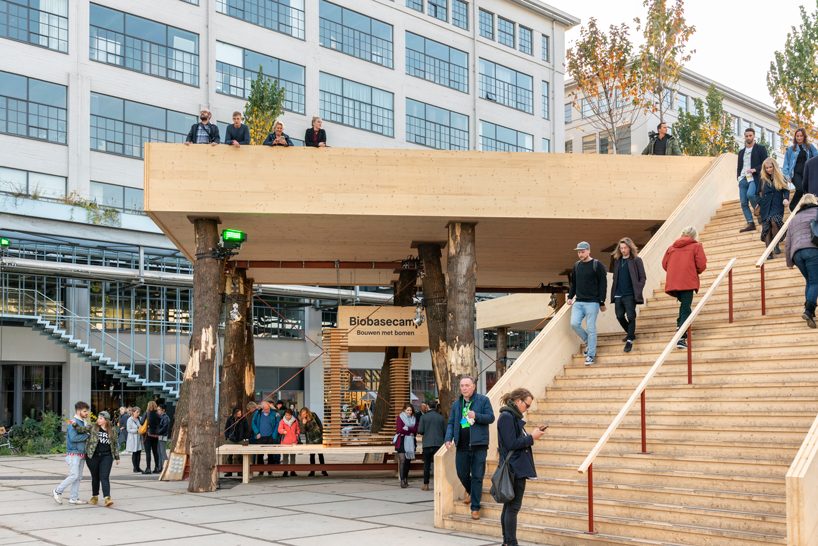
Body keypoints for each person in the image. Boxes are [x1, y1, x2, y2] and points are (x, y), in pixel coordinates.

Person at [497, 388, 546, 546]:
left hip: (516, 468)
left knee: (509, 507)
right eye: (527, 405)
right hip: (514, 469)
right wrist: (532, 437)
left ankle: (507, 541)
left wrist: (531, 435)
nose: (527, 408)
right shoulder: (507, 417)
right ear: (518, 401)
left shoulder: (512, 416)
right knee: (512, 508)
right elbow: (511, 444)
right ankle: (511, 542)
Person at [444, 376, 495, 520]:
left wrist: (476, 415)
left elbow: (491, 418)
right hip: (462, 446)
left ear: (473, 386)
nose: (464, 388)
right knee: (462, 474)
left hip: (479, 445)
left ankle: (475, 507)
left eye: (467, 385)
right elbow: (451, 423)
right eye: (462, 386)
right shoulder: (457, 404)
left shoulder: (483, 400)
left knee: (477, 477)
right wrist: (448, 438)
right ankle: (471, 491)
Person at [662, 226, 707, 349]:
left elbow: (664, 264)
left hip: (673, 282)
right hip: (687, 281)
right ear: (693, 236)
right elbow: (701, 265)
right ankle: (680, 337)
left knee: (684, 306)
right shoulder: (696, 246)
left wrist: (675, 271)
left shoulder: (671, 248)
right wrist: (692, 271)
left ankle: (679, 326)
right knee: (686, 307)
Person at [567, 241, 608, 365]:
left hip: (592, 303)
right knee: (574, 324)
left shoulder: (597, 265)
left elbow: (603, 284)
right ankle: (589, 343)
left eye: (582, 251)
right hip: (578, 302)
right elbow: (573, 283)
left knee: (591, 328)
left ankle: (591, 354)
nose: (580, 254)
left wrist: (601, 300)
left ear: (589, 251)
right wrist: (570, 296)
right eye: (579, 252)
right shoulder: (576, 266)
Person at [785, 193, 818, 327]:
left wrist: (789, 261)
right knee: (815, 281)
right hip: (812, 250)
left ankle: (810, 309)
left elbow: (788, 242)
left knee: (810, 281)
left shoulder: (794, 218)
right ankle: (809, 310)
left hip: (796, 254)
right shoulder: (817, 211)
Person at [610, 237, 647, 353]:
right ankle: (631, 333)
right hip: (618, 294)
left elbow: (643, 277)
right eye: (621, 248)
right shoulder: (617, 261)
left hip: (630, 294)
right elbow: (615, 277)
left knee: (631, 316)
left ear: (630, 248)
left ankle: (630, 340)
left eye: (625, 248)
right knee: (619, 316)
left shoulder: (636, 260)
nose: (623, 250)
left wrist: (638, 288)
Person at [53, 401, 90, 505]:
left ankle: (73, 498)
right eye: (84, 411)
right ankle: (57, 490)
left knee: (78, 477)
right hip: (74, 453)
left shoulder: (83, 422)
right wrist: (88, 435)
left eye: (87, 411)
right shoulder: (73, 422)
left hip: (81, 453)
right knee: (74, 475)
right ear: (78, 411)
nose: (87, 413)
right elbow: (73, 438)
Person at [83, 411, 119, 507]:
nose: (98, 420)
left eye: (100, 418)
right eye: (98, 418)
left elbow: (115, 444)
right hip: (93, 456)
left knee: (104, 476)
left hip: (106, 456)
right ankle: (95, 497)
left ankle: (107, 498)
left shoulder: (112, 430)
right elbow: (81, 429)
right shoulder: (93, 427)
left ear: (106, 420)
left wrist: (117, 457)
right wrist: (74, 424)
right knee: (95, 477)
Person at [736, 127, 769, 232]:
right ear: (744, 137)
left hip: (754, 177)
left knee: (751, 194)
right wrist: (738, 177)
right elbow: (739, 166)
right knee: (743, 202)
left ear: (754, 136)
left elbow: (766, 163)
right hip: (743, 178)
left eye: (750, 135)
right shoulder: (741, 152)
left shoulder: (760, 148)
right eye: (746, 136)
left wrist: (755, 169)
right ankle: (750, 222)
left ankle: (759, 212)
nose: (748, 137)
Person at [756, 158, 789, 257]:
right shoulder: (762, 179)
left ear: (774, 166)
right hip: (766, 206)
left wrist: (786, 198)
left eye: (770, 167)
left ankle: (775, 245)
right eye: (766, 168)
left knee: (774, 221)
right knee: (766, 227)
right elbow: (756, 194)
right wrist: (761, 201)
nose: (769, 169)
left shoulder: (781, 177)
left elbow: (786, 190)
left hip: (777, 205)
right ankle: (768, 252)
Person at [782, 128, 817, 211]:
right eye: (797, 136)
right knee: (800, 189)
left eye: (801, 136)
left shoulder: (810, 146)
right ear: (795, 137)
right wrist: (787, 176)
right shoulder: (790, 149)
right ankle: (793, 206)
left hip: (807, 173)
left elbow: (816, 157)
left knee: (807, 192)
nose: (799, 138)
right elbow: (786, 163)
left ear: (804, 136)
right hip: (795, 173)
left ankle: (805, 208)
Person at [417, 400, 445, 491]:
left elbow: (420, 431)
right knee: (439, 465)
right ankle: (439, 484)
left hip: (427, 444)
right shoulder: (441, 417)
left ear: (428, 406)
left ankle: (426, 484)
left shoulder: (424, 417)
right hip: (438, 444)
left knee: (427, 465)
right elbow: (445, 431)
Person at [251, 400, 281, 476]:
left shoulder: (274, 413)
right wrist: (257, 432)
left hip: (270, 436)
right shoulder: (258, 413)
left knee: (270, 454)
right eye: (265, 409)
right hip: (260, 437)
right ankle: (260, 470)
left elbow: (278, 423)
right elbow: (253, 423)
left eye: (268, 409)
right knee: (260, 455)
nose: (267, 410)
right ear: (262, 408)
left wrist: (274, 434)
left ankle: (270, 470)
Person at [394, 404, 418, 488]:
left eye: (410, 410)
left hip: (411, 442)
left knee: (408, 461)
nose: (409, 412)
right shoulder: (400, 417)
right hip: (401, 441)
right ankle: (402, 480)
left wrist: (407, 428)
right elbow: (399, 429)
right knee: (402, 460)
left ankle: (406, 479)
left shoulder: (414, 419)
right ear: (404, 410)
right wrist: (409, 431)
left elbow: (415, 430)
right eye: (408, 410)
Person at [300, 407, 329, 476]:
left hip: (318, 438)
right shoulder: (301, 420)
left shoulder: (314, 415)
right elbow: (303, 432)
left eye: (304, 413)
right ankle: (312, 471)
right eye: (302, 414)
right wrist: (304, 424)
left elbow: (319, 423)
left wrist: (321, 432)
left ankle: (323, 470)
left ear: (307, 412)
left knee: (320, 454)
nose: (303, 415)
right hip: (310, 440)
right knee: (312, 455)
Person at [224, 407, 251, 477]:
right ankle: (229, 471)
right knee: (229, 455)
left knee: (240, 456)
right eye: (238, 413)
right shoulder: (230, 419)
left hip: (240, 440)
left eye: (240, 413)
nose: (240, 414)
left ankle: (240, 471)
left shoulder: (243, 419)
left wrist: (244, 437)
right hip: (231, 439)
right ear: (234, 414)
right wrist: (227, 436)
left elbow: (247, 429)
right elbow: (226, 428)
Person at [277, 408, 300, 476]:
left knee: (293, 457)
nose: (287, 416)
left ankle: (292, 471)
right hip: (285, 442)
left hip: (293, 441)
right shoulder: (282, 421)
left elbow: (298, 429)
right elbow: (279, 429)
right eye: (286, 415)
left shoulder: (295, 421)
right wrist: (283, 431)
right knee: (285, 457)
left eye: (289, 415)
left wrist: (297, 434)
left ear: (291, 415)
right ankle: (285, 471)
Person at [143, 400, 161, 474]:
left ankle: (148, 468)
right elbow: (160, 423)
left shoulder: (147, 413)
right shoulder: (157, 414)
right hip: (155, 435)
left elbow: (141, 422)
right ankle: (157, 468)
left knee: (148, 452)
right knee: (155, 452)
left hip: (148, 435)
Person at [126, 407, 143, 473]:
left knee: (139, 452)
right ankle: (135, 468)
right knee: (134, 453)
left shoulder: (140, 418)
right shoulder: (129, 419)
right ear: (133, 412)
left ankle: (138, 467)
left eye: (139, 412)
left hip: (139, 438)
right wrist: (136, 430)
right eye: (137, 412)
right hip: (133, 438)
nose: (138, 413)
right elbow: (128, 429)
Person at [155, 404, 171, 473]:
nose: (157, 411)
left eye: (159, 409)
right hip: (159, 436)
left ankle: (165, 467)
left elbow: (164, 427)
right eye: (157, 409)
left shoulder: (165, 417)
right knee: (159, 452)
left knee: (162, 452)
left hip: (162, 436)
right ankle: (160, 467)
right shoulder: (160, 417)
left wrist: (157, 432)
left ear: (163, 410)